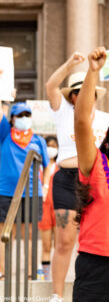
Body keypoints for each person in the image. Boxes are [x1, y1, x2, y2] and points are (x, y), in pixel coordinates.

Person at [46, 53, 109, 302]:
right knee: (64, 240)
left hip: (96, 179)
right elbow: (50, 86)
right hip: (66, 177)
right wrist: (70, 65)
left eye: (84, 90)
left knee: (95, 237)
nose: (79, 94)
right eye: (75, 91)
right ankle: (56, 294)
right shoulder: (63, 112)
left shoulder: (108, 119)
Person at [73, 47, 109, 302]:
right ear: (107, 143)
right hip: (95, 266)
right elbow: (82, 121)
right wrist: (93, 72)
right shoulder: (96, 165)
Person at [0, 102, 50, 278]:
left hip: (31, 192)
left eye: (27, 115)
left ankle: (31, 270)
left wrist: (45, 185)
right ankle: (2, 270)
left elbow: (47, 165)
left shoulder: (38, 140)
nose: (24, 119)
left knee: (30, 232)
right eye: (20, 115)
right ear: (12, 119)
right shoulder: (5, 134)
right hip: (6, 192)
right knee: (6, 232)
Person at [38, 135, 59, 280]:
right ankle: (46, 277)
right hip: (44, 208)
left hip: (58, 208)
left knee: (59, 246)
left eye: (54, 145)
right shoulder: (38, 166)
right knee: (46, 246)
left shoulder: (61, 166)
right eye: (48, 145)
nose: (51, 148)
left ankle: (56, 277)